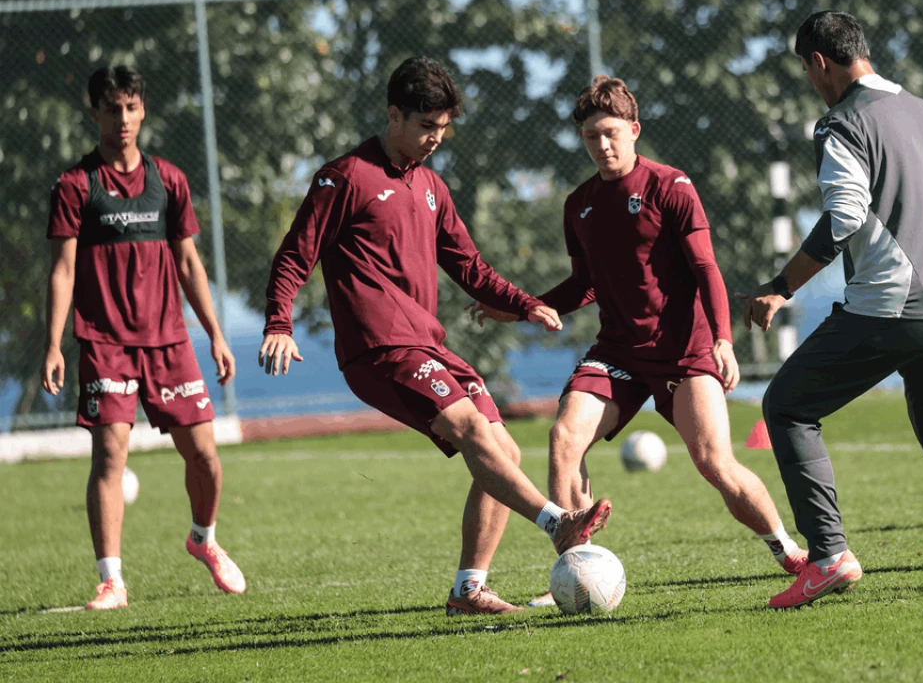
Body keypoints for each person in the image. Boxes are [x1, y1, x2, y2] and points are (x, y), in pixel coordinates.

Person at [258, 57, 612, 617]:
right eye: (426, 127)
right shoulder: (344, 177)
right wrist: (279, 322)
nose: (434, 141)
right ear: (394, 115)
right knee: (473, 428)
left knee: (504, 448)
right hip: (380, 348)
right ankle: (558, 524)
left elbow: (470, 267)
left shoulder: (430, 187)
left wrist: (527, 304)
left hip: (426, 343)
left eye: (443, 130)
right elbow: (293, 257)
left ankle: (467, 591)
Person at [472, 75, 808, 607]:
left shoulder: (671, 187)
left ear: (633, 129)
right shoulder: (578, 204)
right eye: (589, 137)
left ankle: (790, 553)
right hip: (619, 352)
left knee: (713, 462)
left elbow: (705, 268)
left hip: (684, 350)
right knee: (563, 440)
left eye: (609, 133)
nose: (601, 146)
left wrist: (722, 338)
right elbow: (584, 284)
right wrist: (522, 307)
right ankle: (573, 570)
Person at [738, 11, 923, 608]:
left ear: (820, 62)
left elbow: (844, 216)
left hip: (895, 306)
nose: (812, 84)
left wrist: (780, 288)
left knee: (787, 406)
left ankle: (828, 555)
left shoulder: (841, 124)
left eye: (808, 72)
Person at [42, 66, 245, 610]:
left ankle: (203, 540)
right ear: (95, 114)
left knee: (204, 457)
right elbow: (62, 270)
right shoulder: (75, 185)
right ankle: (112, 581)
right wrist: (55, 343)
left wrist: (217, 335)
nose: (123, 118)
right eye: (112, 109)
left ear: (144, 110)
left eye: (131, 107)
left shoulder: (169, 180)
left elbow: (189, 263)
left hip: (169, 342)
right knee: (109, 454)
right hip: (105, 341)